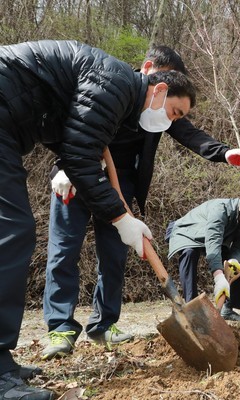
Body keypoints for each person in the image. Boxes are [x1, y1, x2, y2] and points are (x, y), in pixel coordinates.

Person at [0, 39, 196, 400]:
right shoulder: (118, 82)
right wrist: (122, 218)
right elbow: (79, 156)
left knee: (13, 232)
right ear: (160, 88)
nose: (170, 122)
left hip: (9, 126)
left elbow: (73, 132)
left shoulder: (118, 95)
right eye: (174, 113)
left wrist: (76, 161)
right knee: (13, 232)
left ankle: (3, 364)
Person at [41, 45, 240, 361]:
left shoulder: (163, 108)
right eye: (163, 78)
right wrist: (63, 165)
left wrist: (223, 152)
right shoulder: (104, 82)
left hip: (120, 184)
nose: (165, 88)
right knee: (64, 250)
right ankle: (60, 328)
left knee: (113, 256)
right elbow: (73, 121)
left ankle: (104, 324)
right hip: (78, 172)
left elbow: (191, 134)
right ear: (148, 68)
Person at [166, 186, 240, 322]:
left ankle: (227, 309)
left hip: (216, 240)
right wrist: (218, 275)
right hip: (187, 232)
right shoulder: (221, 209)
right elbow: (213, 241)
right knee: (190, 253)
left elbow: (239, 247)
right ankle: (192, 307)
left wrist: (233, 261)